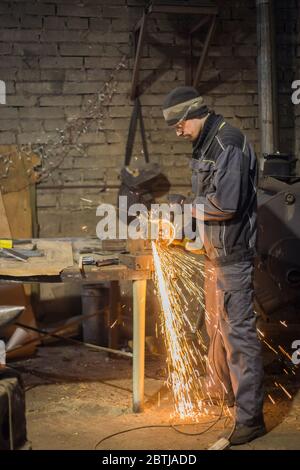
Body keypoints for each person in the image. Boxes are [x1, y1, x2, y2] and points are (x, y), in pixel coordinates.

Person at [162, 86, 266, 446]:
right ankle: (221, 394)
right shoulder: (205, 144)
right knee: (216, 330)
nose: (177, 130)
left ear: (193, 113)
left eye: (178, 124)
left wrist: (185, 208)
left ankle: (250, 419)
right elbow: (206, 201)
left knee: (238, 336)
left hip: (233, 259)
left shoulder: (228, 143)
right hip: (214, 256)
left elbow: (225, 204)